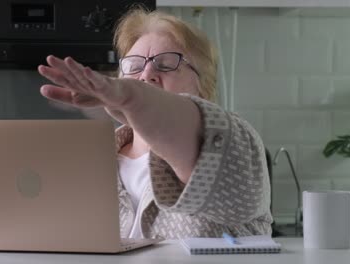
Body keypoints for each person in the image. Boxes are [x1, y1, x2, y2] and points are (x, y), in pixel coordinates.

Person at [37, 8, 272, 239]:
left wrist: (133, 97)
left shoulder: (236, 140)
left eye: (167, 63)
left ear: (203, 86)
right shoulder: (90, 161)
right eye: (134, 65)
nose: (146, 74)